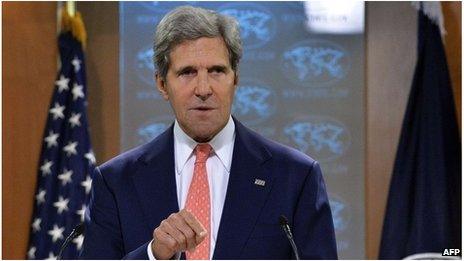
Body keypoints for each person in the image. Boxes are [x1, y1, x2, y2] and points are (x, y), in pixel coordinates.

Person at [80, 5, 337, 260]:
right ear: (161, 84)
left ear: (235, 78)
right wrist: (153, 255)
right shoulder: (116, 182)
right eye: (187, 72)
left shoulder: (295, 177)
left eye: (216, 71)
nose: (203, 88)